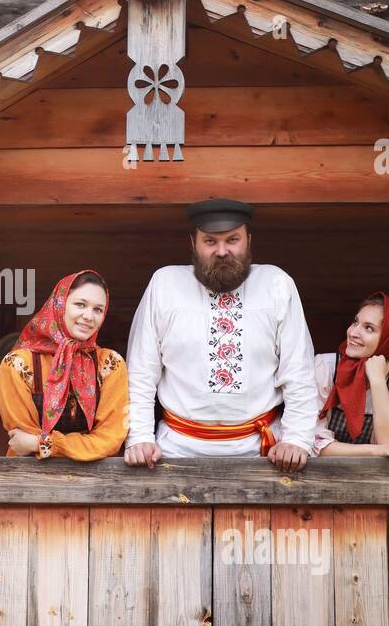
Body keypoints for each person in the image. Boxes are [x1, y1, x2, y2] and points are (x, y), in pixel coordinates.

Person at [124, 198, 317, 473]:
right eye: (210, 241)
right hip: (174, 451)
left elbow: (299, 371)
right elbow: (141, 373)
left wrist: (297, 439)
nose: (222, 251)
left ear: (248, 241)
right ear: (194, 244)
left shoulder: (277, 283)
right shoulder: (165, 283)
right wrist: (140, 438)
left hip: (262, 454)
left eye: (232, 239)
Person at [0, 269, 129, 460]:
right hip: (28, 479)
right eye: (80, 304)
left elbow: (109, 440)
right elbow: (22, 443)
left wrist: (42, 443)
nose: (89, 316)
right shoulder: (18, 364)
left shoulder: (110, 364)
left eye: (98, 309)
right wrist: (83, 446)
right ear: (59, 305)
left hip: (95, 481)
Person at [313, 292, 389, 462]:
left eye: (369, 328)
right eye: (355, 322)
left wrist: (378, 381)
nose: (353, 332)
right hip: (324, 475)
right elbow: (311, 442)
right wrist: (376, 451)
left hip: (379, 480)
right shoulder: (327, 367)